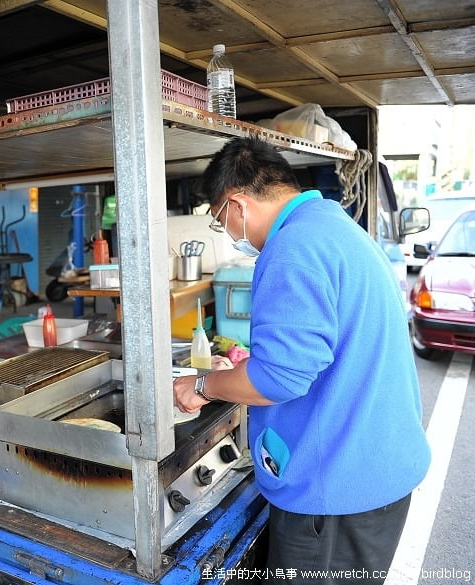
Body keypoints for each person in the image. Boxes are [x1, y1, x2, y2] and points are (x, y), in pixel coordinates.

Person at [173, 137, 430, 585]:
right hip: (375, 466)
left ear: (237, 204)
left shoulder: (292, 248)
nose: (230, 233)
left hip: (336, 490)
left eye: (220, 221)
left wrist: (201, 388)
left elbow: (281, 378)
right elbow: (324, 345)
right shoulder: (332, 226)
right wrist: (243, 370)